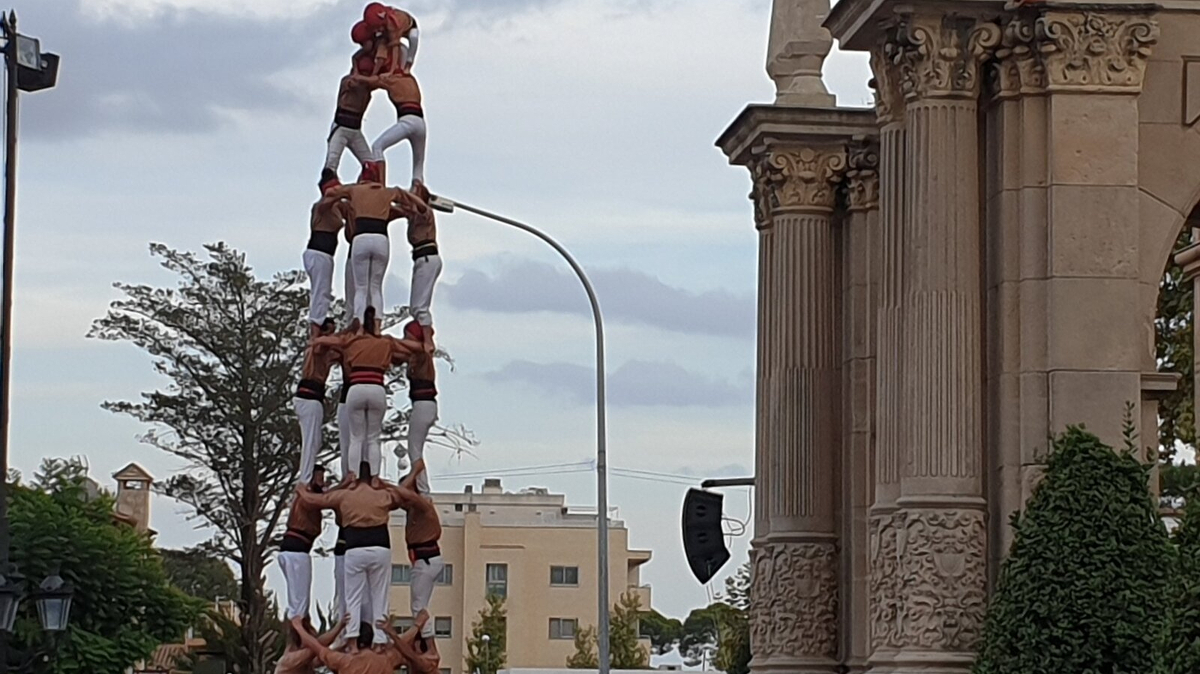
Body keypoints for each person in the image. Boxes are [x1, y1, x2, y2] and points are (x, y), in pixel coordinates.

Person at [295, 465, 409, 649]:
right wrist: (384, 484)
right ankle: (379, 642)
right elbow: (403, 496)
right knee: (380, 597)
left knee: (353, 598)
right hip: (380, 547)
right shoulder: (383, 495)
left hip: (354, 548)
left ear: (355, 480)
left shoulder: (345, 496)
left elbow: (317, 501)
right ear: (372, 478)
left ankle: (353, 643)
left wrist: (301, 490)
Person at [312, 307, 423, 475]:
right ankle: (375, 477)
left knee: (356, 438)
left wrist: (317, 340)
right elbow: (413, 347)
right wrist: (423, 344)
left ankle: (352, 477)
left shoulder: (351, 341)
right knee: (373, 438)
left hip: (355, 389)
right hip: (377, 388)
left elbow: (328, 341)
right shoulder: (386, 341)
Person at [323, 174, 429, 324]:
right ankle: (377, 326)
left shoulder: (355, 192)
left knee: (360, 288)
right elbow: (409, 204)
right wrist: (420, 207)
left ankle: (358, 325)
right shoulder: (386, 193)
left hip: (360, 240)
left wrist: (340, 192)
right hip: (380, 240)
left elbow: (331, 193)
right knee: (375, 287)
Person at [387, 458, 443, 640]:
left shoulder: (422, 505)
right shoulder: (412, 510)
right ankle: (424, 639)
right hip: (424, 559)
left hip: (425, 559)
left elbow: (405, 493)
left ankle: (426, 642)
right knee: (420, 605)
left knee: (418, 607)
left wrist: (415, 471)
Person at [278, 466, 328, 621]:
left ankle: (298, 633)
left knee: (298, 600)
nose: (322, 482)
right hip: (296, 552)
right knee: (299, 603)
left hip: (295, 551)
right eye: (319, 478)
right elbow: (328, 499)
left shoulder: (306, 496)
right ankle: (297, 636)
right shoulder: (306, 497)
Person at [321, 59, 379, 191]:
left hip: (355, 130)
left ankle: (364, 192)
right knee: (331, 165)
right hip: (341, 128)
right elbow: (353, 83)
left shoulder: (368, 86)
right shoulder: (348, 81)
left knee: (370, 166)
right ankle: (329, 195)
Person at [367, 70, 426, 191]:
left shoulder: (390, 79)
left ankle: (380, 185)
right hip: (421, 123)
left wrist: (358, 78)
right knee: (418, 165)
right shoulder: (410, 78)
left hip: (407, 121)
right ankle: (418, 189)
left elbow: (370, 83)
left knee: (377, 147)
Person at [305, 195, 353, 334]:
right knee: (321, 291)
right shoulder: (321, 205)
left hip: (325, 255)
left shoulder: (337, 207)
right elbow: (325, 204)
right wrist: (340, 193)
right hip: (319, 253)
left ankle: (318, 324)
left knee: (323, 291)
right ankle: (315, 328)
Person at [400, 321, 436, 495]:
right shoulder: (418, 354)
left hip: (423, 403)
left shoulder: (422, 352)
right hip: (424, 404)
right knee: (414, 447)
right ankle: (421, 486)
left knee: (414, 448)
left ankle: (423, 490)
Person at [291, 617, 403, 671]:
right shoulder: (387, 660)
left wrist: (299, 628)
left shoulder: (345, 661)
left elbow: (317, 647)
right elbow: (405, 647)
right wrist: (392, 633)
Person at [405, 202, 439, 336]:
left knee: (420, 307)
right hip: (422, 258)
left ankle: (426, 339)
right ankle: (419, 334)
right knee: (415, 308)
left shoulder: (424, 211)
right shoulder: (413, 214)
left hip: (427, 257)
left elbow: (420, 206)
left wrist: (414, 193)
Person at [274, 615, 347, 674]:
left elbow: (320, 658)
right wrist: (339, 626)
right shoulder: (289, 660)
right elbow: (317, 645)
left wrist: (343, 646)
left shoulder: (300, 661)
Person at [363, 3, 419, 75]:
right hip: (391, 29)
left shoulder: (392, 23)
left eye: (378, 27)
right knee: (382, 41)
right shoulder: (378, 18)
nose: (377, 30)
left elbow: (395, 48)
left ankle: (407, 65)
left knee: (412, 40)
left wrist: (391, 72)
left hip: (409, 28)